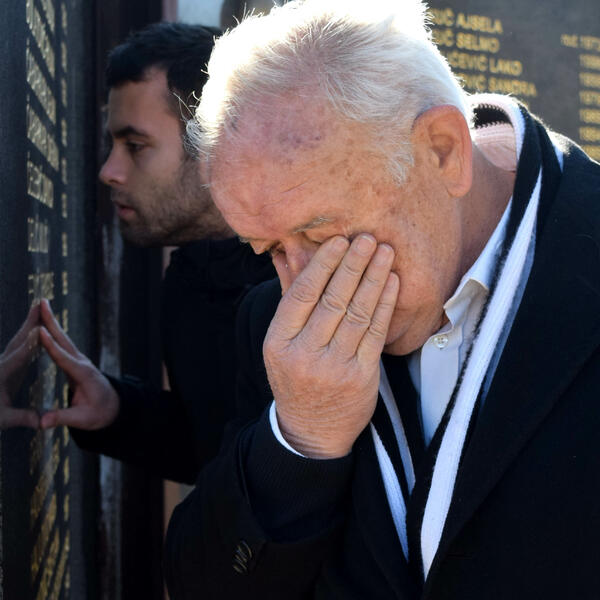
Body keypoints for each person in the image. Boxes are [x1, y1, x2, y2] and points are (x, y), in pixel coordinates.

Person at [163, 0, 600, 598]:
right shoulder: (275, 327)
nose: (305, 286)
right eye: (270, 249)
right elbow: (203, 584)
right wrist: (300, 440)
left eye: (321, 233)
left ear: (443, 150)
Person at [39, 22, 275, 483]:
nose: (109, 171)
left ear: (213, 144)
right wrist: (116, 410)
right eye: (113, 145)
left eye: (135, 146)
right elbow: (213, 449)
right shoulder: (190, 279)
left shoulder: (310, 279)